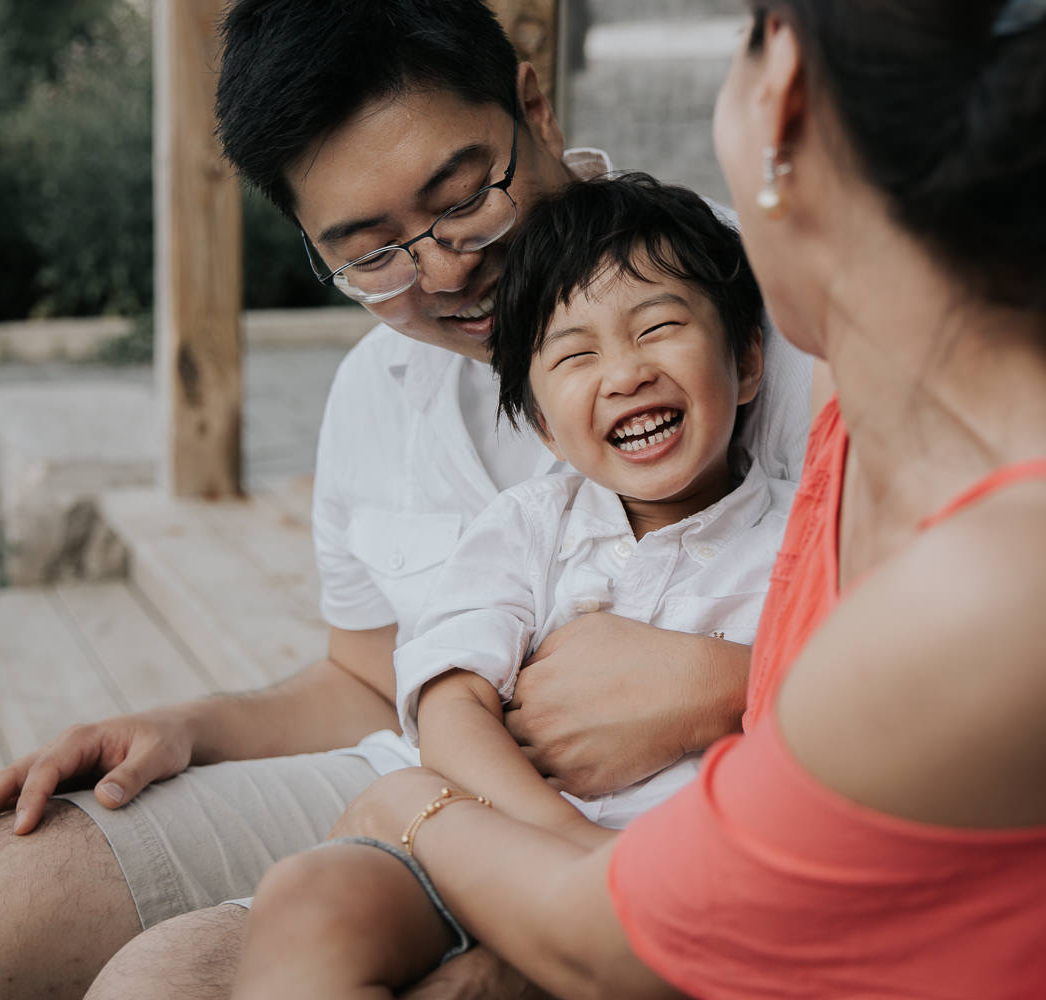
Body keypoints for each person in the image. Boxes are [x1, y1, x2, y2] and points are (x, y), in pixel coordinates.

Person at [276, 0, 1046, 997]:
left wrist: (403, 808)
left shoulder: (1028, 576)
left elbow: (609, 942)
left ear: (782, 91)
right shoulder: (891, 425)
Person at [0, 4, 811, 999]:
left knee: (165, 981)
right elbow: (371, 680)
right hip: (425, 789)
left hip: (703, 809)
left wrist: (736, 682)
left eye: (464, 199)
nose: (446, 269)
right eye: (371, 253)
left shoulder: (763, 313)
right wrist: (190, 725)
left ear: (532, 110)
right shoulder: (383, 389)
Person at [233, 172, 796, 997]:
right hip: (513, 843)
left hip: (699, 873)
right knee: (310, 898)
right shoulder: (533, 525)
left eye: (660, 327)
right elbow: (450, 701)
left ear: (746, 361)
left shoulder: (801, 533)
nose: (625, 373)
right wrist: (562, 844)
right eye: (576, 354)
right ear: (539, 422)